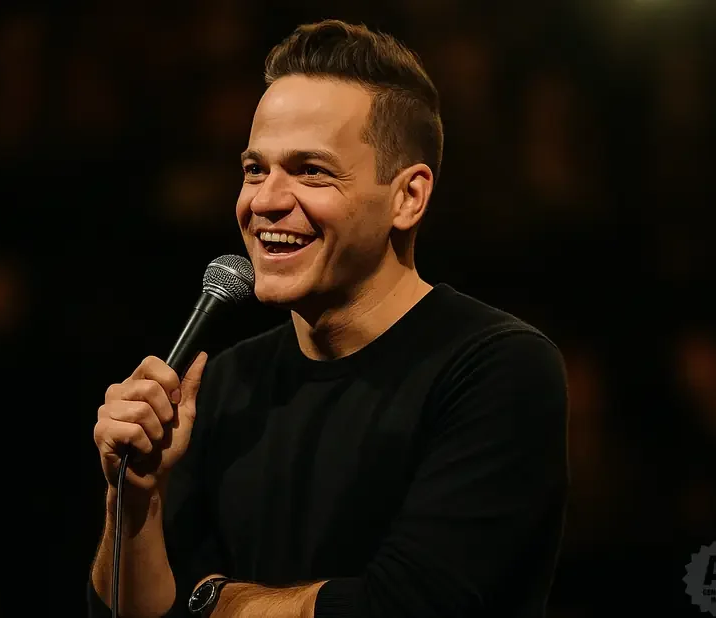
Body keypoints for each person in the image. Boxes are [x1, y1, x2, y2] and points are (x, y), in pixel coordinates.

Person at [88, 19, 568, 618]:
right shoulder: (221, 384)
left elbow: (405, 607)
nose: (264, 200)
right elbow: (134, 613)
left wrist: (213, 600)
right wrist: (136, 500)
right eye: (255, 169)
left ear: (408, 197)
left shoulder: (495, 368)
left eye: (311, 170)